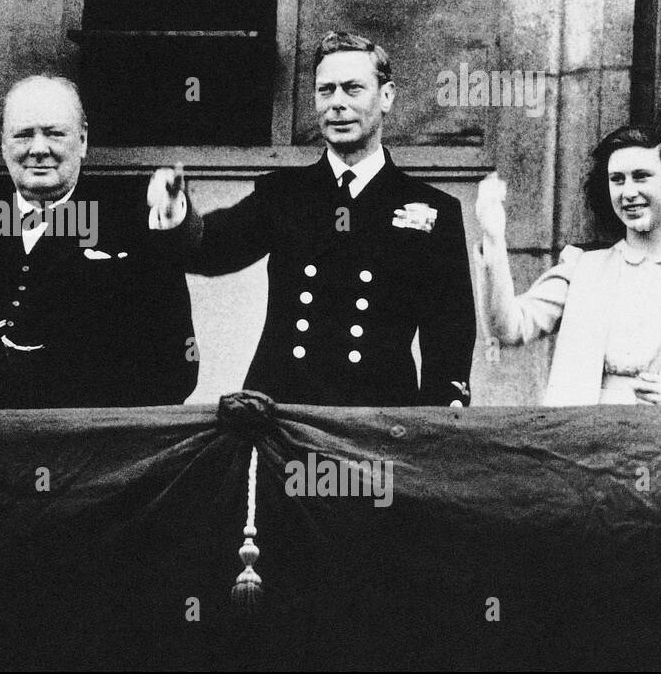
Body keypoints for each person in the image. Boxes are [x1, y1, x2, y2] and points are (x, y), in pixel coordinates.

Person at [147, 31, 476, 406]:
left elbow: (450, 332)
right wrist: (176, 212)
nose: (336, 104)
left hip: (378, 420)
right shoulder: (285, 194)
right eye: (326, 90)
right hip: (285, 418)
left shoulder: (433, 210)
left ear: (386, 96)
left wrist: (442, 413)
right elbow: (211, 248)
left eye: (352, 89)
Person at [0, 74, 198, 408]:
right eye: (24, 134)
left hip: (90, 446)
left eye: (55, 133)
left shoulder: (128, 226)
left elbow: (174, 371)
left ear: (83, 140)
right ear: (2, 142)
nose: (39, 149)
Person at [476, 125, 661, 405]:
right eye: (617, 180)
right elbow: (508, 328)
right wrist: (493, 236)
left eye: (641, 177)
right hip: (583, 439)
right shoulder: (584, 268)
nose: (628, 192)